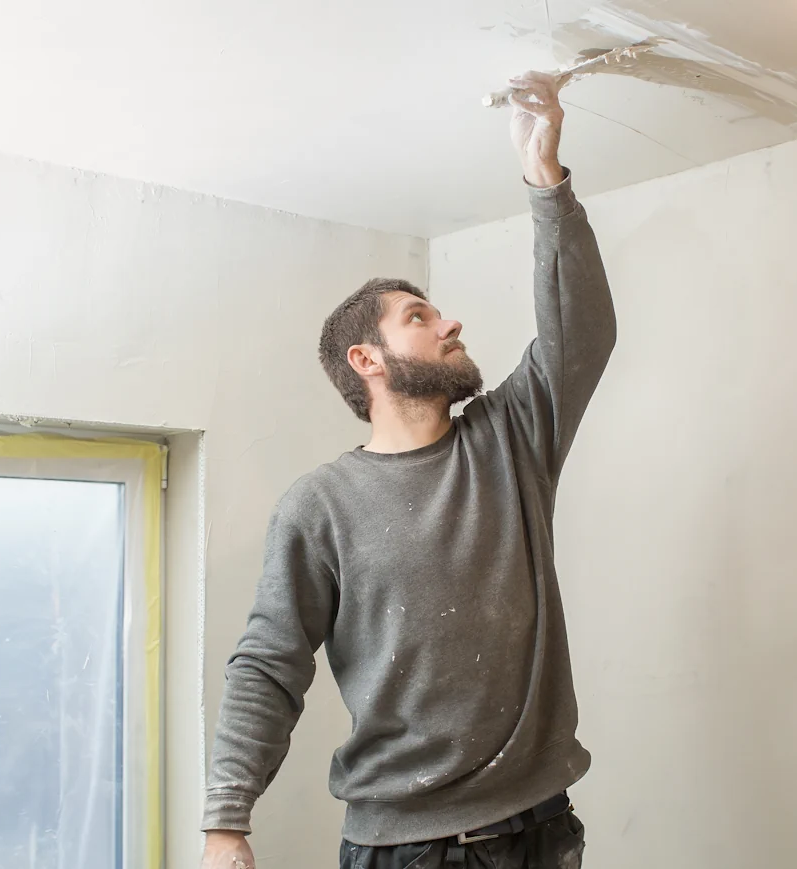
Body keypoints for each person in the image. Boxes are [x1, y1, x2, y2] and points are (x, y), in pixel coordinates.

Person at [200, 70, 616, 869]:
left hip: (541, 828)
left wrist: (544, 178)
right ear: (368, 360)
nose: (448, 320)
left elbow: (583, 333)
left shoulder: (510, 440)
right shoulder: (320, 505)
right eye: (418, 318)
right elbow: (270, 662)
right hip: (406, 849)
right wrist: (227, 821)